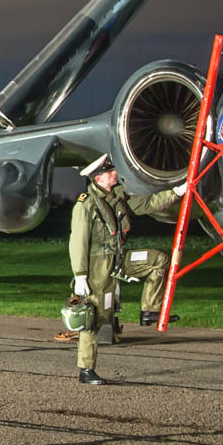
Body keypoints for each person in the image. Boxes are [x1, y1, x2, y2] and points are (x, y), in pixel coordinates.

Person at [70, 155, 185, 384]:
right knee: (95, 317)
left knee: (158, 261)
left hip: (118, 260)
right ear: (99, 177)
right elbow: (78, 242)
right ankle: (86, 369)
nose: (115, 173)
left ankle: (150, 310)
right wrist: (80, 276)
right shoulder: (86, 205)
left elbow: (147, 204)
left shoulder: (117, 198)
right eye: (111, 171)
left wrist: (177, 192)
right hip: (98, 270)